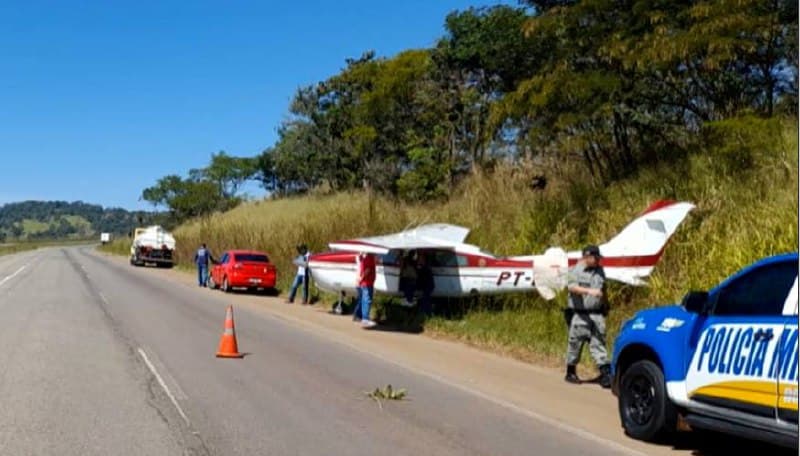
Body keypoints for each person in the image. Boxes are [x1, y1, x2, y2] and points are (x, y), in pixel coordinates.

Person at [564, 244, 611, 388]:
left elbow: (603, 288)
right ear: (587, 257)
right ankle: (570, 372)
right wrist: (589, 291)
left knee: (599, 344)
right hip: (580, 315)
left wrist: (606, 303)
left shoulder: (600, 271)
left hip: (597, 314)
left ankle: (605, 374)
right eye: (595, 258)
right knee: (575, 345)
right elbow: (571, 287)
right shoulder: (574, 270)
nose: (598, 260)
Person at [357, 251, 377, 328]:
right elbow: (367, 270)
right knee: (367, 300)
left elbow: (360, 260)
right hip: (367, 283)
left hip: (365, 283)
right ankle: (365, 319)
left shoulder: (364, 258)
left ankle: (364, 318)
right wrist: (361, 278)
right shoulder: (370, 258)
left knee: (364, 300)